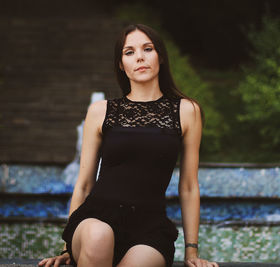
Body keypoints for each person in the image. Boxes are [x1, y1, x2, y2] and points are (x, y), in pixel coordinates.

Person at [38, 24, 219, 267]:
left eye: (148, 49)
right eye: (129, 52)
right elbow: (83, 184)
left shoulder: (187, 111)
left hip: (150, 228)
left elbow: (188, 186)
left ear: (161, 56)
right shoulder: (101, 110)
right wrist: (68, 247)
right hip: (95, 219)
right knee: (98, 236)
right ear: (121, 64)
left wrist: (192, 252)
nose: (140, 57)